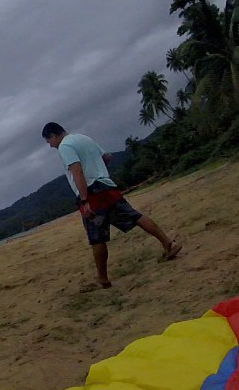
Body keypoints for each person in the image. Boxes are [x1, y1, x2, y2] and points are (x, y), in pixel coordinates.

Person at [41, 122, 182, 288]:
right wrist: (97, 168)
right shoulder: (83, 138)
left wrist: (84, 200)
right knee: (135, 216)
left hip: (93, 194)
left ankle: (102, 279)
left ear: (53, 135)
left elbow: (77, 171)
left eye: (49, 141)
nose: (50, 145)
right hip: (107, 187)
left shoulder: (65, 146)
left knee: (96, 236)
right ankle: (168, 244)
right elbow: (107, 157)